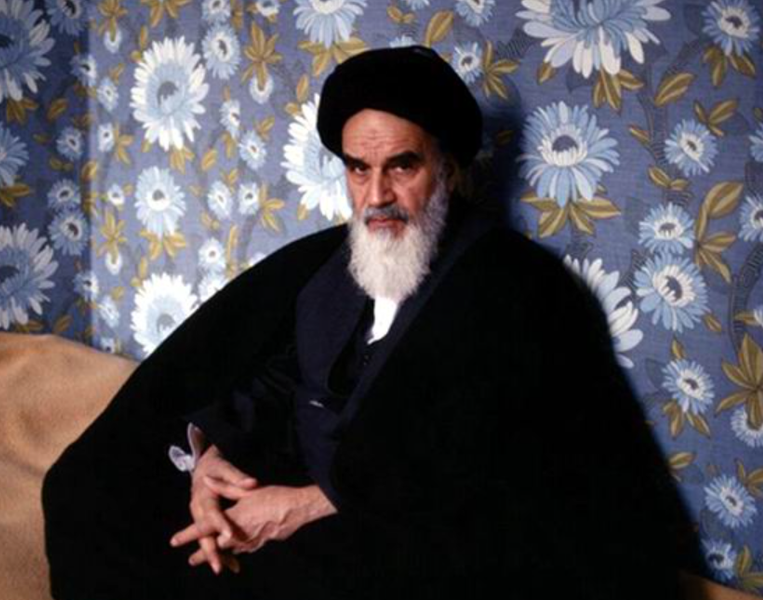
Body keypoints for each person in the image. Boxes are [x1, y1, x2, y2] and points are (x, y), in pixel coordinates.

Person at [42, 46, 701, 600]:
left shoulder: (514, 286)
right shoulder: (339, 264)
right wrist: (214, 459)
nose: (377, 195)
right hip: (298, 478)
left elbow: (493, 461)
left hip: (407, 525)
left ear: (448, 168)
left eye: (402, 166)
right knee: (85, 493)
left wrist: (300, 506)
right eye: (359, 169)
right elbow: (287, 376)